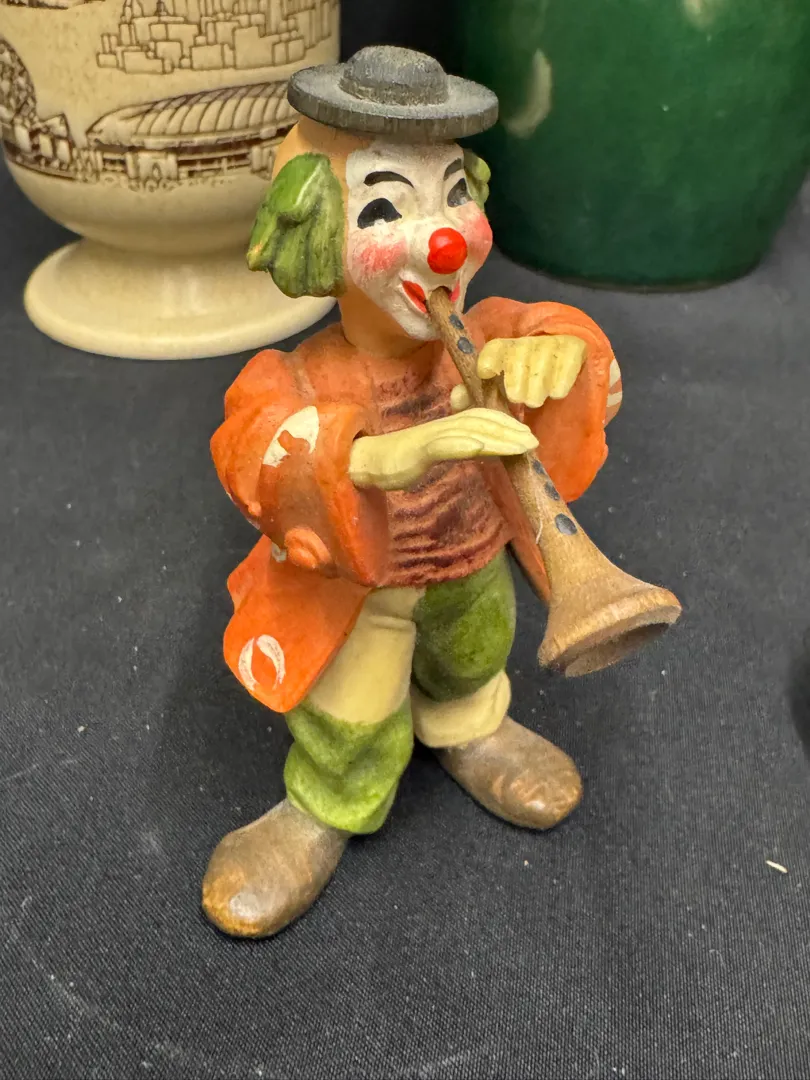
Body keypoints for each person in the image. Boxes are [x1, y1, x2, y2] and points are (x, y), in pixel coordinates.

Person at [203, 46, 622, 938]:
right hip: (365, 596)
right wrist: (388, 457)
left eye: (455, 196)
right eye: (385, 208)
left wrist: (559, 356)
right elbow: (253, 451)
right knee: (352, 705)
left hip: (472, 567)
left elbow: (553, 336)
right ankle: (325, 800)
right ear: (317, 226)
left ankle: (470, 723)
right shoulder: (298, 376)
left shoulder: (489, 337)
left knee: (475, 651)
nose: (443, 242)